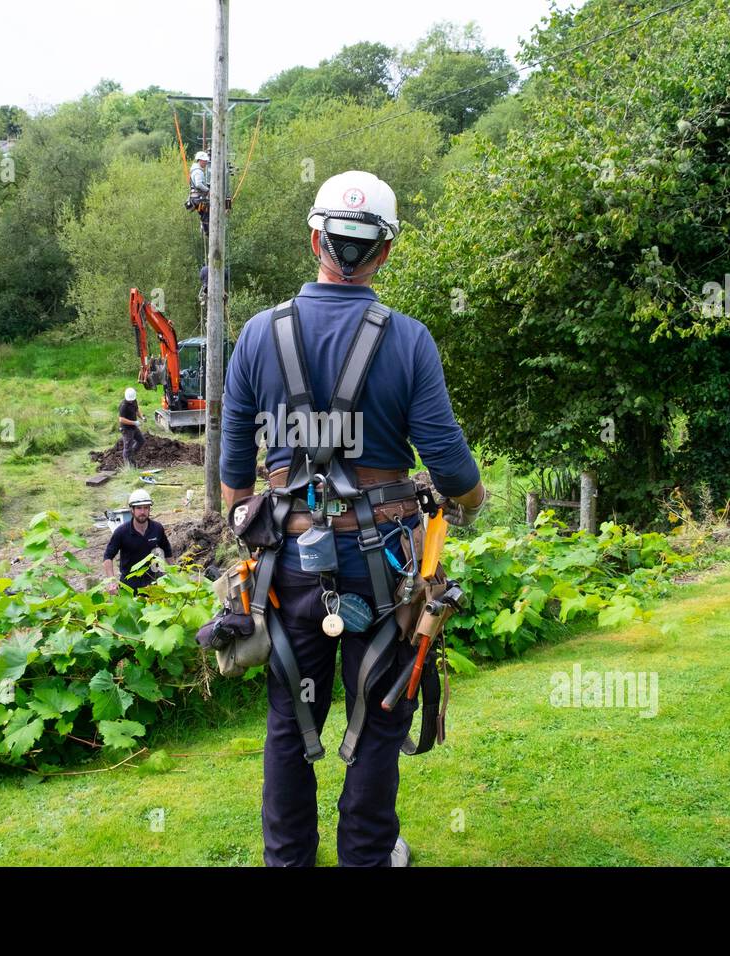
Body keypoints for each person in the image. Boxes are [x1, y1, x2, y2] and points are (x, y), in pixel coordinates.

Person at [220, 170, 487, 867]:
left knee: (290, 720)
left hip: (285, 566)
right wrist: (471, 499)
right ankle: (368, 857)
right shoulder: (408, 341)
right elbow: (453, 472)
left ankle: (290, 862)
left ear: (316, 238)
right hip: (384, 572)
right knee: (377, 719)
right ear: (385, 252)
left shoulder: (256, 336)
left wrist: (257, 531)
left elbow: (232, 478)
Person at [102, 489, 173, 593]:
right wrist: (112, 581)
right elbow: (108, 557)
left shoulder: (157, 528)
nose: (143, 512)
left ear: (150, 509)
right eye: (139, 508)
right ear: (132, 510)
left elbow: (167, 552)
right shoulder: (121, 532)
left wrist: (174, 574)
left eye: (146, 508)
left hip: (154, 582)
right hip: (130, 584)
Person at [118, 386, 145, 469]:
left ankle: (131, 455)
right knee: (127, 447)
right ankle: (128, 466)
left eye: (132, 399)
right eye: (129, 400)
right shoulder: (123, 406)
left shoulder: (134, 401)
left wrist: (142, 417)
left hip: (133, 427)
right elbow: (121, 419)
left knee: (141, 441)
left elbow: (137, 410)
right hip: (126, 429)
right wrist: (134, 422)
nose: (131, 401)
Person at [188, 150, 210, 239]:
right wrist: (208, 190)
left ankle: (205, 229)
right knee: (207, 213)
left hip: (195, 198)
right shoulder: (198, 171)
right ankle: (207, 231)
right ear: (200, 160)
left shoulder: (196, 170)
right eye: (205, 161)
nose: (206, 163)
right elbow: (198, 184)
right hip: (198, 198)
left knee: (205, 213)